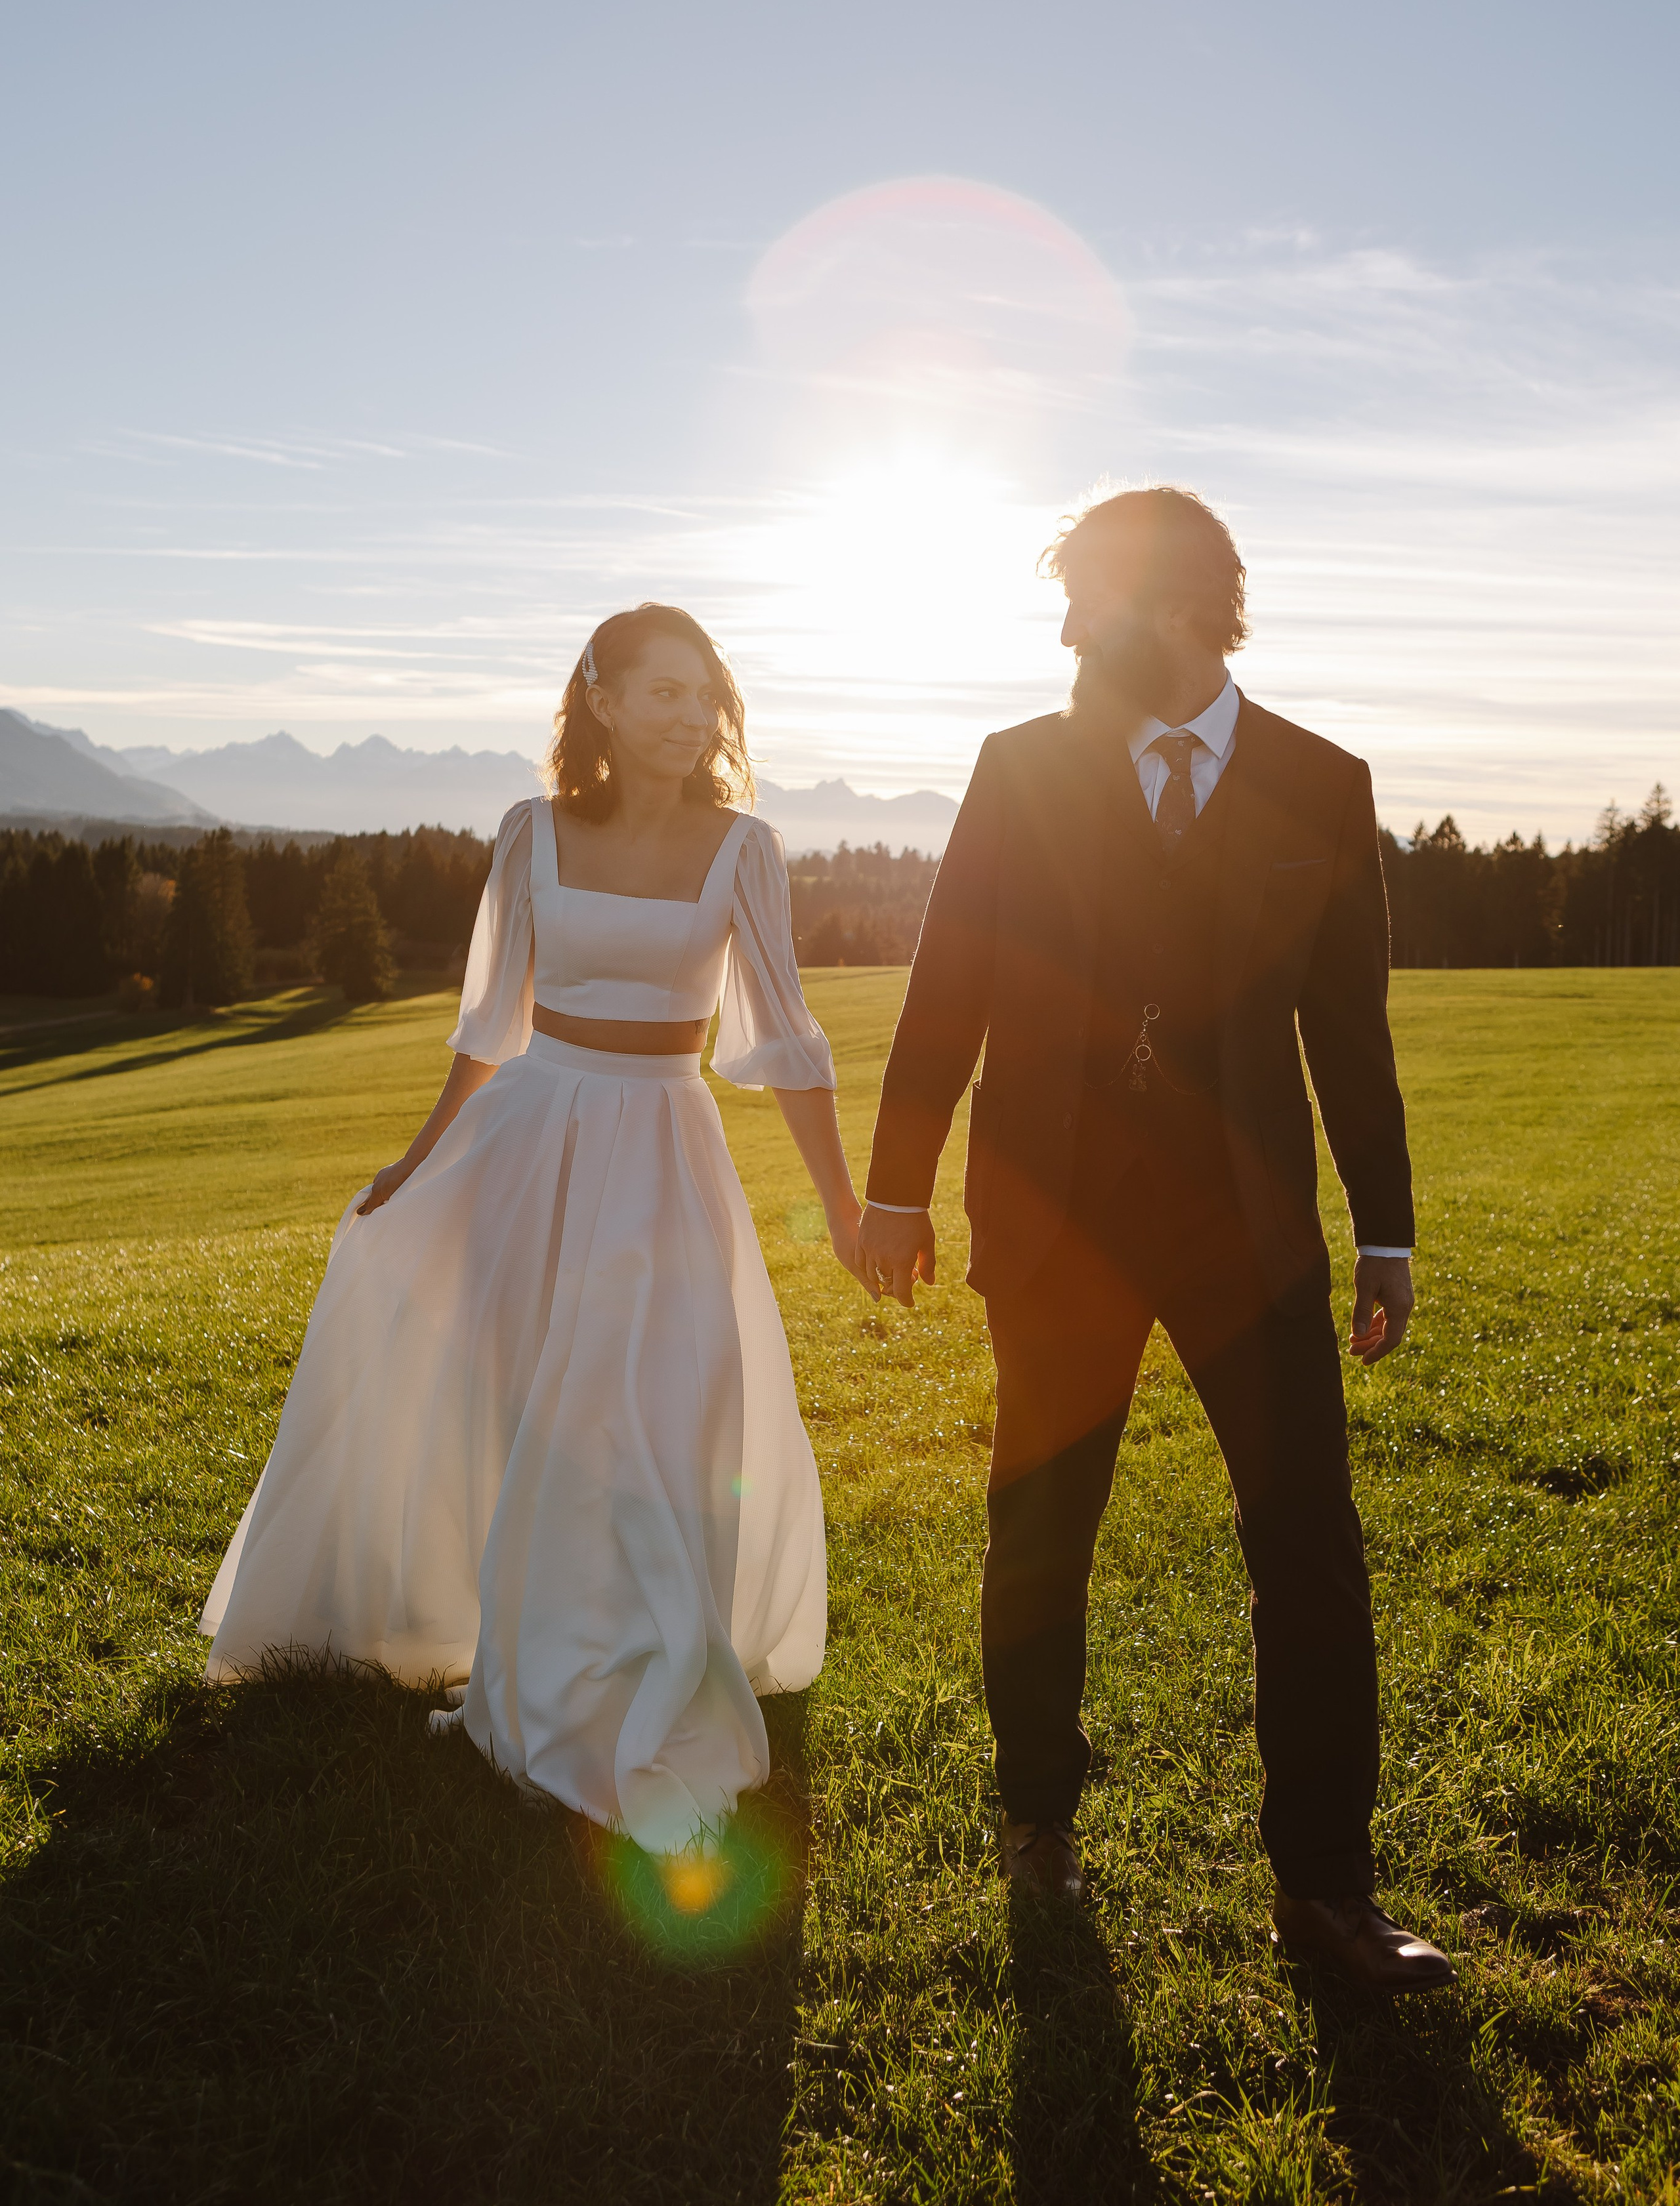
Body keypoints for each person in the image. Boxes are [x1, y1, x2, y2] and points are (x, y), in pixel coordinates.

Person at [855, 487, 1453, 1992]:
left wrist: (1383, 1232)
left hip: (1246, 1228)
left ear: (1190, 609)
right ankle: (1035, 1828)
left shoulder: (1320, 784)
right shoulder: (1018, 770)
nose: (1072, 638)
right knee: (1040, 1535)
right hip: (1056, 1219)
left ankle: (1322, 1891)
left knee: (1307, 1547)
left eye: (1096, 610)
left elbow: (1349, 1035)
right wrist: (897, 1185)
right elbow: (948, 989)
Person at [202, 604, 864, 1858]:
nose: (682, 714)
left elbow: (786, 1042)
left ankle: (642, 1671)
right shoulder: (529, 833)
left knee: (663, 1411)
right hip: (531, 1144)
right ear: (600, 700)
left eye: (699, 692)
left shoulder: (747, 847)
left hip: (666, 1153)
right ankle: (535, 1662)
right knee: (539, 1416)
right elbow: (489, 1023)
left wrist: (839, 1205)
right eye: (655, 690)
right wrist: (421, 1156)